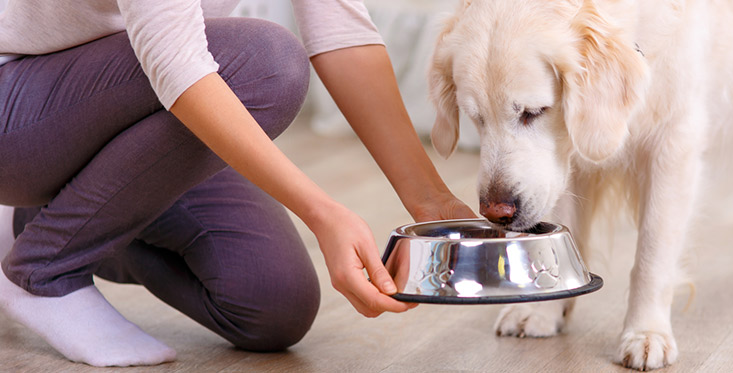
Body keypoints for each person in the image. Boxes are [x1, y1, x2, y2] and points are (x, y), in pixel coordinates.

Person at [0, 0, 475, 367]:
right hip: (17, 111)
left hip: (133, 114)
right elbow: (177, 64)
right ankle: (44, 271)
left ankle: (51, 218)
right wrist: (322, 212)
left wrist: (429, 199)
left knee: (272, 305)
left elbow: (342, 33)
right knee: (265, 64)